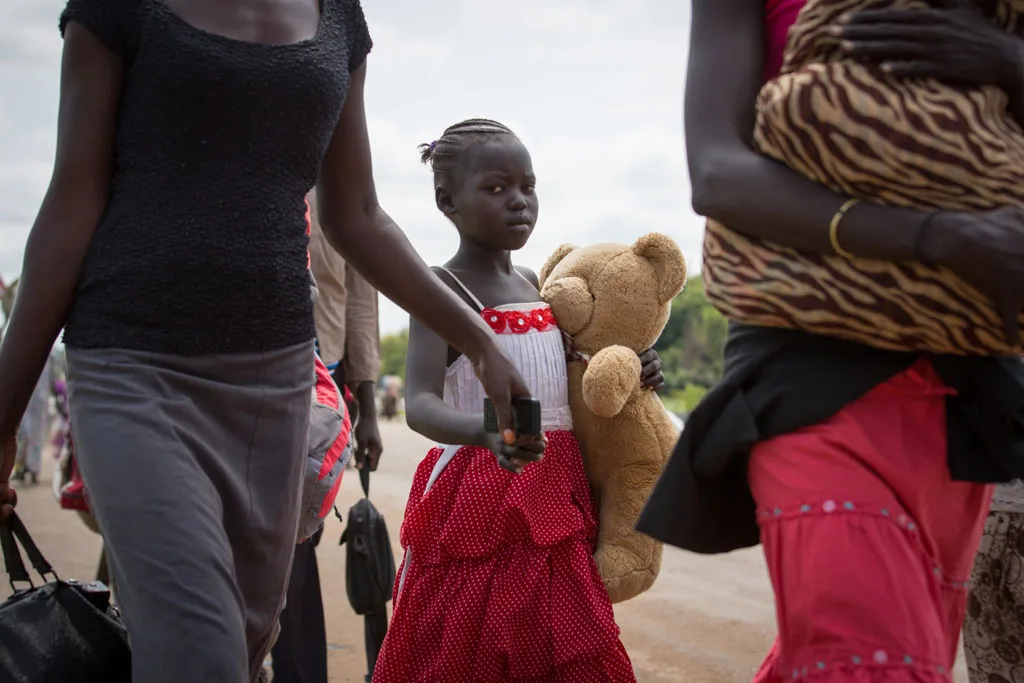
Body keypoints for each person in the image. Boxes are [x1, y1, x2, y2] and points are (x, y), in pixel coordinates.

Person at [0, 3, 539, 682]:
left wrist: (482, 342)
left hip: (274, 381)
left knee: (251, 644)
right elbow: (71, 204)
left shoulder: (337, 16)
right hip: (133, 370)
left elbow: (359, 216)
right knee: (198, 648)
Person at [636, 1, 1024, 681]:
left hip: (965, 392)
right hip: (810, 373)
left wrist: (1008, 62)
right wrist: (939, 237)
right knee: (872, 661)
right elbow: (718, 172)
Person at [372, 119, 665, 683]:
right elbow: (419, 405)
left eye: (527, 187)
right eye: (496, 188)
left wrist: (639, 364)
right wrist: (488, 432)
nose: (519, 202)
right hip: (479, 492)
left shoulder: (539, 284)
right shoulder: (439, 289)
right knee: (471, 642)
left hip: (556, 487)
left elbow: (575, 374)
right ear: (446, 200)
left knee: (563, 637)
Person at [270, 189, 384, 683]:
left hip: (321, 388)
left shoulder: (341, 185)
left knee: (295, 539)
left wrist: (370, 411)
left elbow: (361, 302)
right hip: (239, 370)